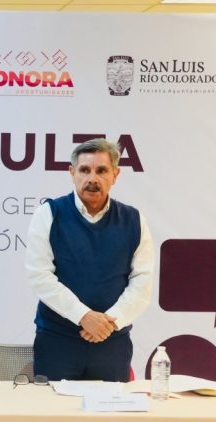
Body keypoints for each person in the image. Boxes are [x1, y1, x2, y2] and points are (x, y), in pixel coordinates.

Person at [25, 138, 154, 382]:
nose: (92, 178)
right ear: (72, 172)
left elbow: (142, 281)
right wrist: (84, 316)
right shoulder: (49, 214)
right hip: (57, 343)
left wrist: (107, 324)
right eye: (84, 170)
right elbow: (40, 276)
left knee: (112, 409)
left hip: (112, 344)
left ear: (115, 175)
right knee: (52, 406)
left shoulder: (134, 220)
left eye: (102, 170)